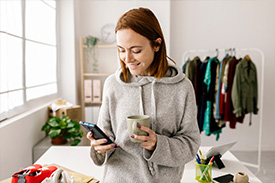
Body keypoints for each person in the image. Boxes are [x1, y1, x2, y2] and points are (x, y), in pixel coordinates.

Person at [86, 7, 201, 183]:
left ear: (156, 45)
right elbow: (106, 136)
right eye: (121, 50)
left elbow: (190, 144)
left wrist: (158, 144)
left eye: (136, 50)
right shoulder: (113, 85)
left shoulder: (182, 88)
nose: (127, 58)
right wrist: (99, 147)